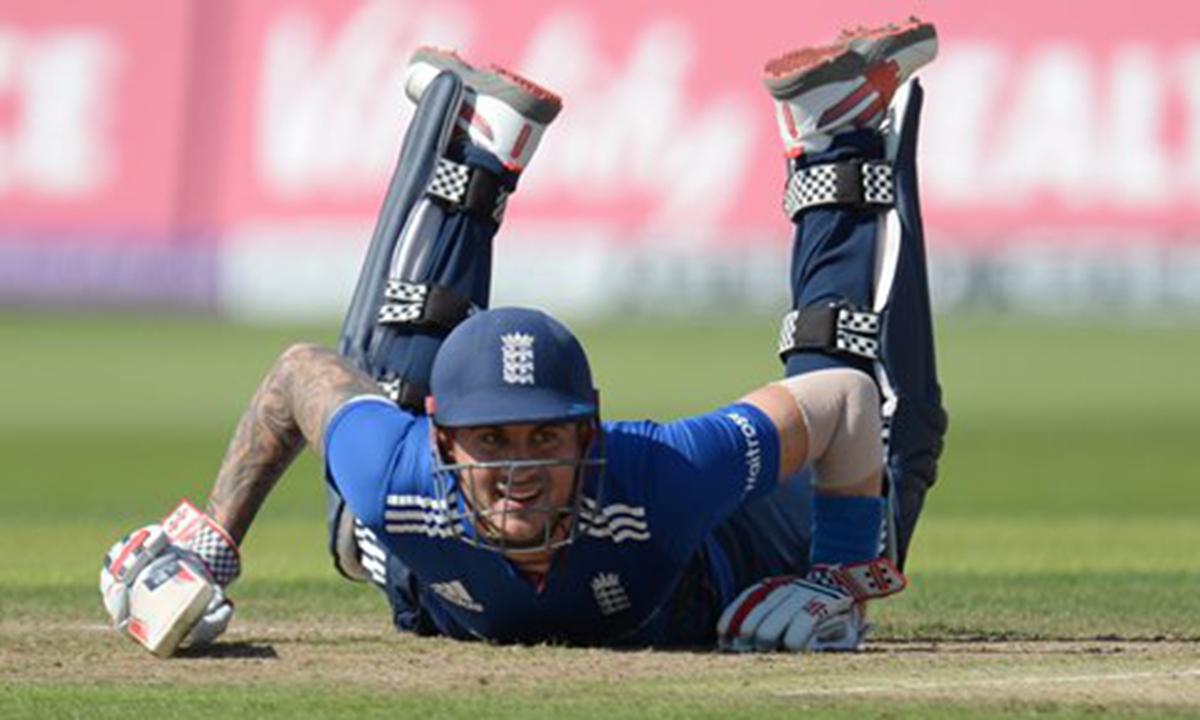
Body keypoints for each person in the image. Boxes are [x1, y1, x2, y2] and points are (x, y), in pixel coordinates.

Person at [100, 19, 947, 656]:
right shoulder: (396, 475)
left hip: (729, 563)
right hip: (431, 574)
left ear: (590, 435)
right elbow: (297, 375)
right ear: (440, 443)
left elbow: (846, 401)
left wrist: (838, 581)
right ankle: (473, 151)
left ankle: (836, 139)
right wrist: (209, 546)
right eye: (493, 440)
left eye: (545, 438)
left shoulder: (666, 477)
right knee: (358, 527)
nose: (519, 471)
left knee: (882, 467)